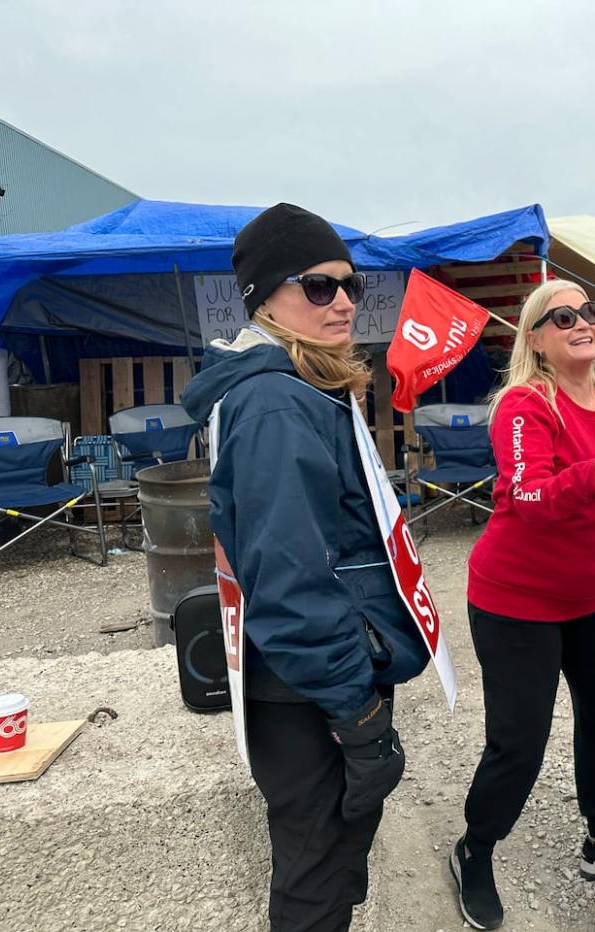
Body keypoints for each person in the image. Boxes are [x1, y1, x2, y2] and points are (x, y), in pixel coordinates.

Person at [181, 203, 430, 932]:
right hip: (307, 685)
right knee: (315, 875)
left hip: (309, 672)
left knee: (328, 863)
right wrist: (355, 712)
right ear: (266, 297)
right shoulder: (275, 404)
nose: (344, 301)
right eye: (318, 286)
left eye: (350, 284)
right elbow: (291, 581)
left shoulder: (300, 387)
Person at [449, 279, 595, 930]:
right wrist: (590, 475)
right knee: (520, 743)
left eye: (589, 312)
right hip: (514, 601)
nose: (583, 320)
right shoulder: (525, 405)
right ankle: (474, 850)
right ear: (536, 339)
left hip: (591, 599)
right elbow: (524, 497)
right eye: (564, 316)